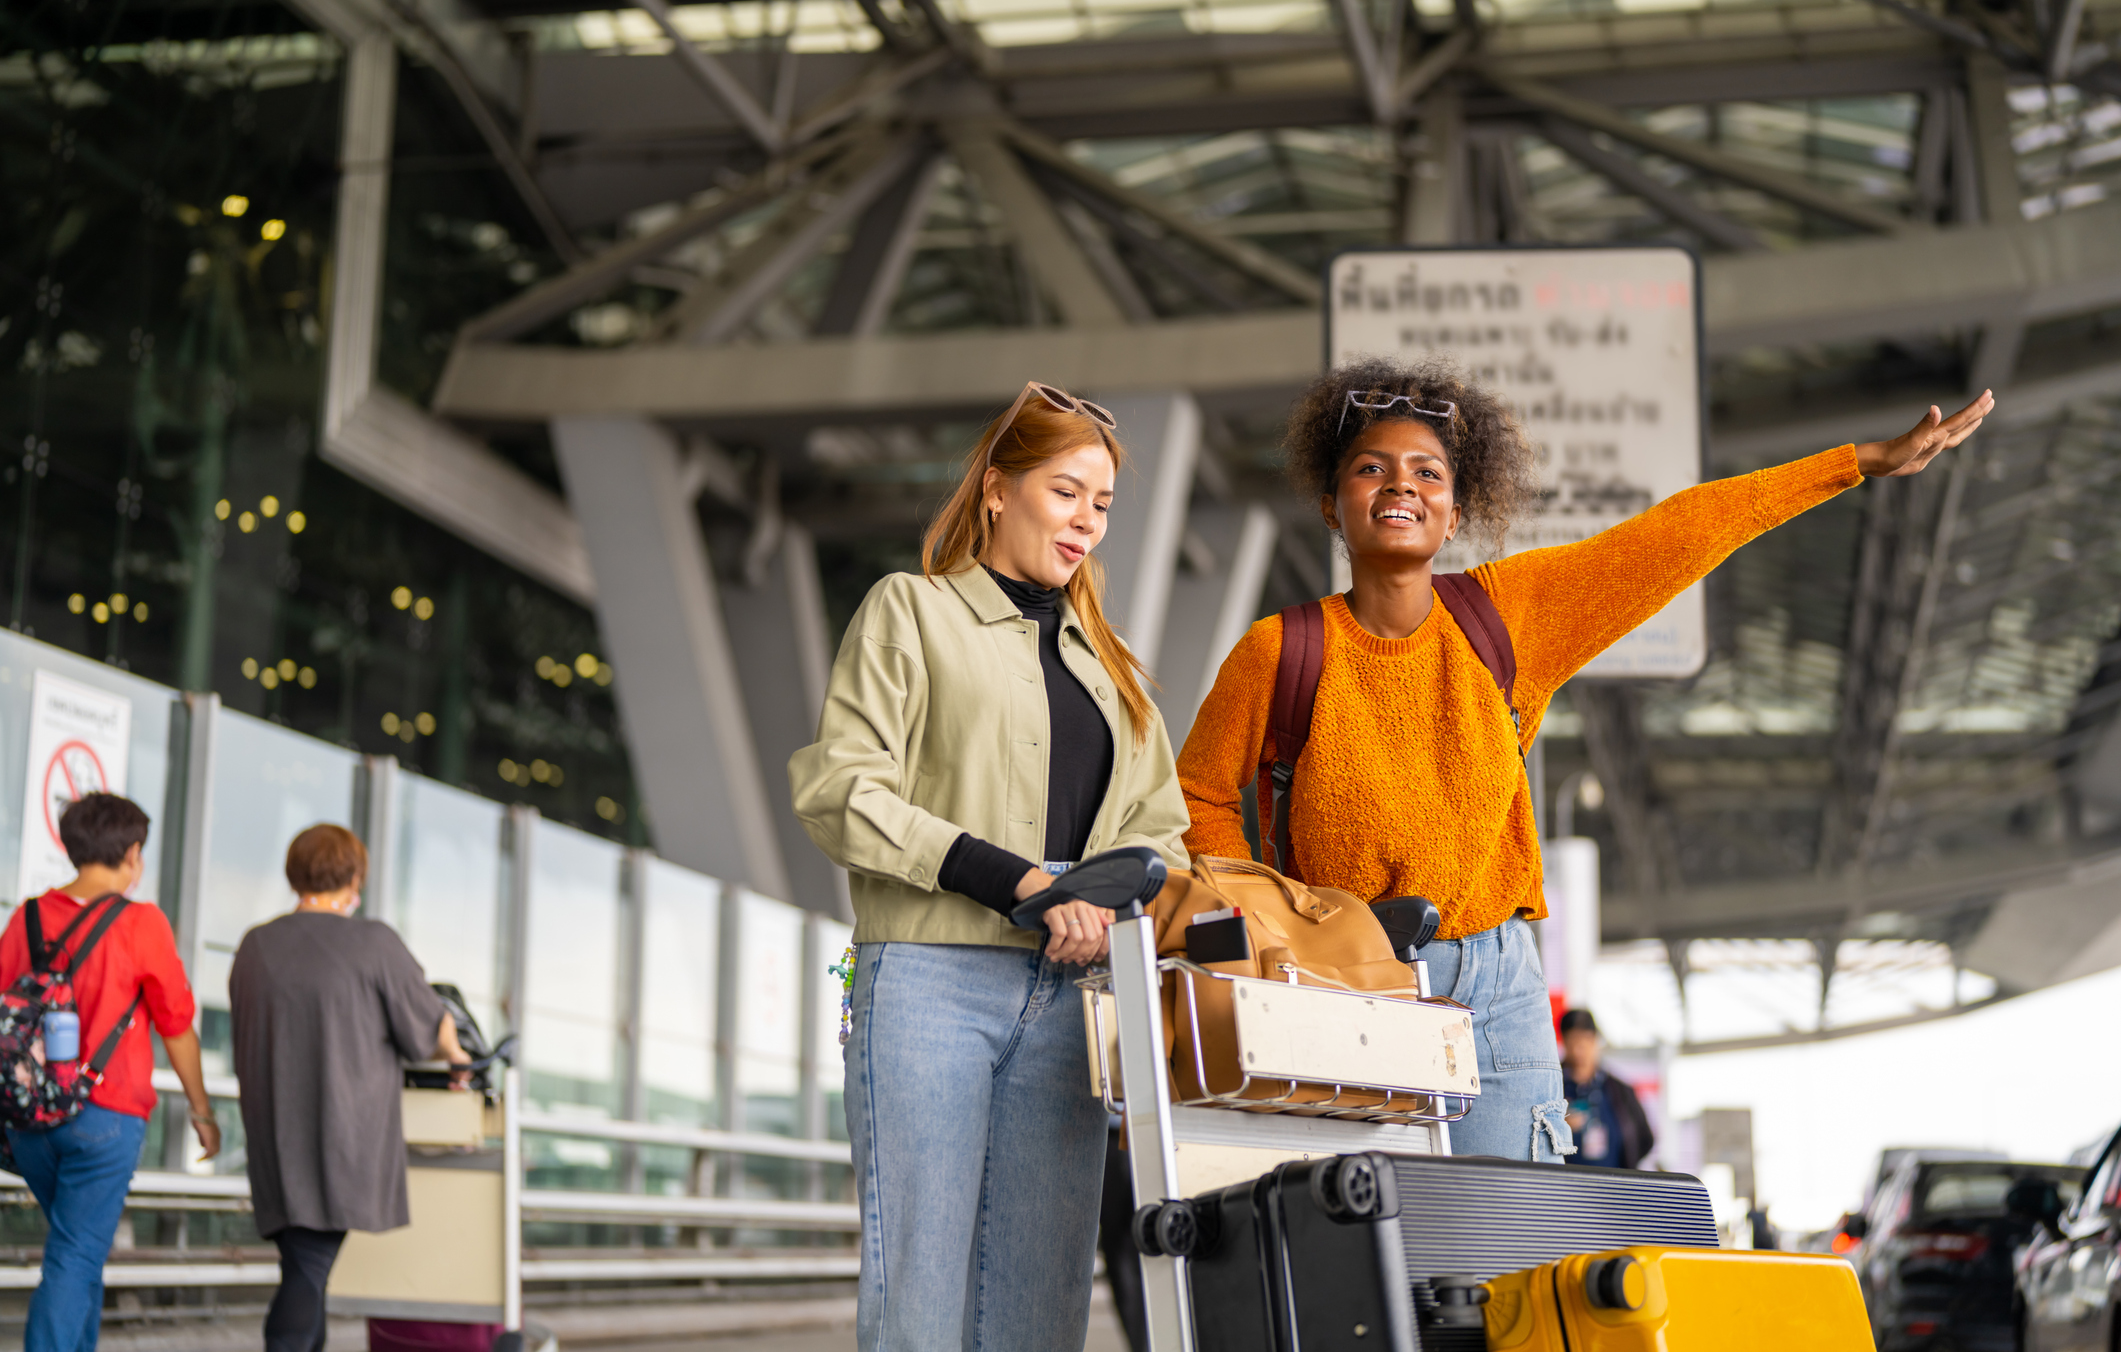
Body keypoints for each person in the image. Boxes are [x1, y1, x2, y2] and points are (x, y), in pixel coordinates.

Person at [1178, 356, 1992, 1162]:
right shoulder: (1279, 651)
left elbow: (1680, 531)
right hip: (1345, 978)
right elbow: (1199, 795)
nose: (1401, 486)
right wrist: (1270, 924)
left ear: (1453, 512)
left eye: (1426, 471)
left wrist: (1855, 464)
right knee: (1379, 1252)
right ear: (1331, 505)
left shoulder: (1505, 615)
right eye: (1371, 469)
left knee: (1511, 1249)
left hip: (1495, 985)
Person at [790, 381, 1191, 1352]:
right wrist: (1018, 881)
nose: (1087, 522)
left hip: (1071, 997)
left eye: (1102, 504)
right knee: (917, 1302)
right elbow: (841, 789)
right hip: (926, 981)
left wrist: (1102, 899)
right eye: (1066, 492)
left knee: (1040, 1309)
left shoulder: (1112, 669)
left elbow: (1164, 833)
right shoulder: (910, 613)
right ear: (999, 489)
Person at [230, 824, 473, 1352]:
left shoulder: (255, 946)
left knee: (304, 1262)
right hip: (343, 1135)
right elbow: (427, 1031)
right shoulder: (373, 942)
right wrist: (456, 1054)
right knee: (309, 1266)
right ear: (354, 876)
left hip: (273, 1131)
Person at [0, 792, 220, 1352]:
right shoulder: (141, 923)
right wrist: (201, 1110)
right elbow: (177, 1026)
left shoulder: (25, 918)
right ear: (132, 853)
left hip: (27, 1124)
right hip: (105, 1118)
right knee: (75, 1255)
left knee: (81, 1251)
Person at [1558, 1009, 1653, 1169]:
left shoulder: (1620, 1091)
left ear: (1596, 1041)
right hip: (1562, 1185)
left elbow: (1645, 1139)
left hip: (1612, 1185)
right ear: (1564, 1043)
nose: (1578, 1050)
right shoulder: (1553, 1088)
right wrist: (1558, 1126)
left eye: (1585, 1041)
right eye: (1572, 1042)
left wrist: (1626, 1170)